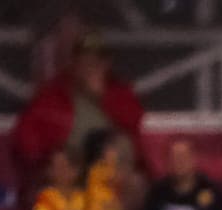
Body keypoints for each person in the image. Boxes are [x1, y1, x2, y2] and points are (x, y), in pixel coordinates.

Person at [11, 33, 144, 181]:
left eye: (96, 62)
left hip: (109, 171)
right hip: (68, 169)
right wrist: (45, 162)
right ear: (74, 64)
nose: (90, 68)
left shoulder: (120, 93)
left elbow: (133, 123)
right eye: (84, 62)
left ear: (106, 64)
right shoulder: (53, 94)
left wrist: (102, 97)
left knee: (131, 169)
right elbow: (25, 137)